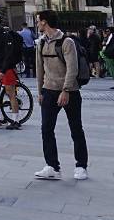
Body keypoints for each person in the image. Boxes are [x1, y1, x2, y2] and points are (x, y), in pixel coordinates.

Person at [32, 11, 89, 181]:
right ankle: (52, 166)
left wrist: (66, 90)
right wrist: (40, 92)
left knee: (76, 129)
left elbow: (73, 69)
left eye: (38, 21)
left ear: (45, 22)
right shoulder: (41, 43)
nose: (37, 23)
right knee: (46, 129)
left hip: (69, 91)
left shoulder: (67, 42)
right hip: (49, 90)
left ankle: (81, 166)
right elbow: (39, 69)